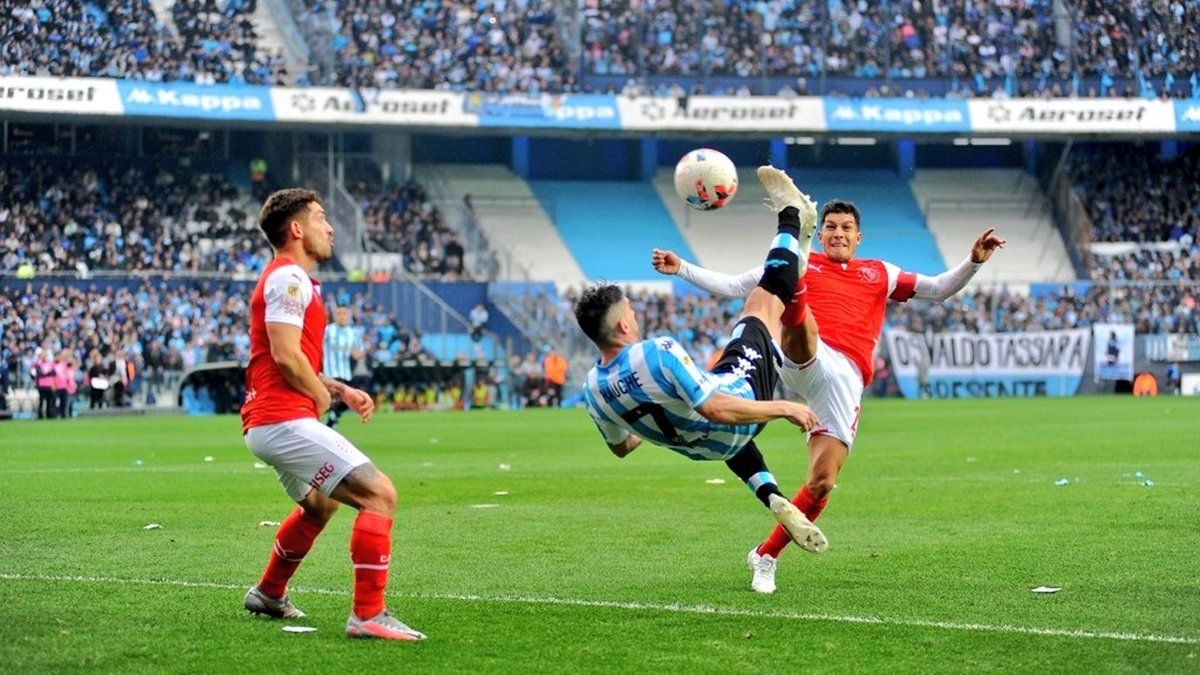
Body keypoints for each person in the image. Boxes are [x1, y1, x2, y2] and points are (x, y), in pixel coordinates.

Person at [654, 176, 1005, 594]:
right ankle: (795, 272)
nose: (838, 233)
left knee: (821, 483)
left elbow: (939, 289)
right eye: (830, 227)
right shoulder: (805, 264)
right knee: (800, 321)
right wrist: (683, 269)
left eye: (845, 228)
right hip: (800, 354)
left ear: (858, 236)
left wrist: (975, 260)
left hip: (845, 379)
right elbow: (734, 286)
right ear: (820, 234)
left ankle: (765, 556)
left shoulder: (881, 272)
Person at [577, 166, 828, 555]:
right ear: (625, 324)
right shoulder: (657, 351)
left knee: (724, 397)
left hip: (710, 450)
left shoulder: (592, 391)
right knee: (762, 303)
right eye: (633, 311)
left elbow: (622, 448)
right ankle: (791, 215)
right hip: (736, 407)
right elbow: (715, 408)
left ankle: (772, 496)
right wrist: (782, 407)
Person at [240, 188, 424, 641]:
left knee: (320, 507)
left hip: (271, 420)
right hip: (283, 420)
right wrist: (320, 400)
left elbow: (288, 359)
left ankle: (268, 593)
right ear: (297, 229)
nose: (330, 227)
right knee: (379, 494)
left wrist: (338, 390)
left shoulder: (293, 280)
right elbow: (284, 356)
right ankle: (368, 614)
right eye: (321, 218)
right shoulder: (289, 279)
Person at [323, 305, 363, 428]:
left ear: (349, 316)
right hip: (330, 374)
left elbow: (359, 352)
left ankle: (331, 422)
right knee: (330, 400)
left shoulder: (353, 333)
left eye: (344, 313)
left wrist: (356, 354)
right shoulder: (328, 330)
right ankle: (328, 423)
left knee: (347, 401)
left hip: (346, 373)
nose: (341, 317)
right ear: (334, 316)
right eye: (338, 314)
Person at [32, 349, 57, 419]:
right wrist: (47, 373)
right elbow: (39, 373)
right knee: (41, 401)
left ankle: (48, 414)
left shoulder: (50, 364)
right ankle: (40, 415)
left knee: (49, 401)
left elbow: (54, 372)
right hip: (41, 385)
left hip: (49, 385)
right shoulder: (37, 364)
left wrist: (45, 373)